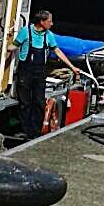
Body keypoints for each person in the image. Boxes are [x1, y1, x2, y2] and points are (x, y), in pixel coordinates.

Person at [10, 10, 78, 139]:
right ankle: (24, 130)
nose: (52, 23)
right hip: (25, 72)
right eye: (49, 21)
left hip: (39, 72)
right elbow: (14, 46)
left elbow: (57, 51)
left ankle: (35, 133)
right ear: (42, 22)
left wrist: (73, 67)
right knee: (25, 102)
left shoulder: (49, 35)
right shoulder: (26, 31)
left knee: (39, 102)